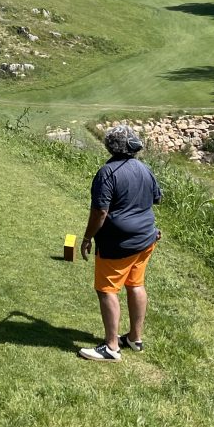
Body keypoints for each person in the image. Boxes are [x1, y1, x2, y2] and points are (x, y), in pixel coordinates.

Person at [78, 124, 162, 361]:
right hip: (146, 239)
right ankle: (135, 339)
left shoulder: (107, 173)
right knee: (135, 284)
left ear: (110, 146)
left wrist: (87, 238)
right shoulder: (144, 168)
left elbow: (100, 213)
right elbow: (156, 199)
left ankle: (112, 347)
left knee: (106, 289)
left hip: (119, 244)